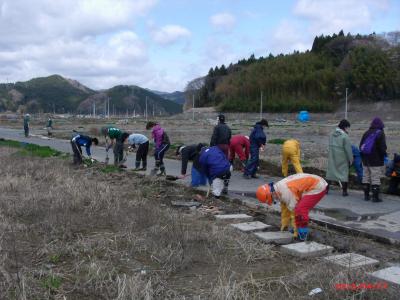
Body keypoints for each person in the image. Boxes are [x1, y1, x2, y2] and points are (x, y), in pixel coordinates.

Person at [256, 173, 328, 241]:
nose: (275, 200)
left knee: (300, 210)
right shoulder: (277, 189)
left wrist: (295, 232)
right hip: (311, 183)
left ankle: (302, 233)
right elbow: (284, 208)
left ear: (271, 194)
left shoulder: (285, 192)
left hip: (317, 186)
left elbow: (294, 212)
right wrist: (284, 225)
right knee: (297, 209)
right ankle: (297, 228)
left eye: (272, 200)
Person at [359, 117, 387, 202]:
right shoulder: (380, 133)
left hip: (365, 159)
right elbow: (382, 148)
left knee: (366, 177)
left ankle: (366, 196)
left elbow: (360, 146)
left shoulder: (366, 132)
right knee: (375, 178)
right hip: (376, 160)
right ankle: (375, 197)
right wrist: (383, 155)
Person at [326, 120, 353, 196]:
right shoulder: (345, 136)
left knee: (330, 173)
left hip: (332, 156)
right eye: (348, 127)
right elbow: (348, 150)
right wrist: (351, 160)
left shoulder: (331, 134)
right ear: (345, 127)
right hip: (342, 158)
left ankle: (326, 190)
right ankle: (344, 191)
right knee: (344, 174)